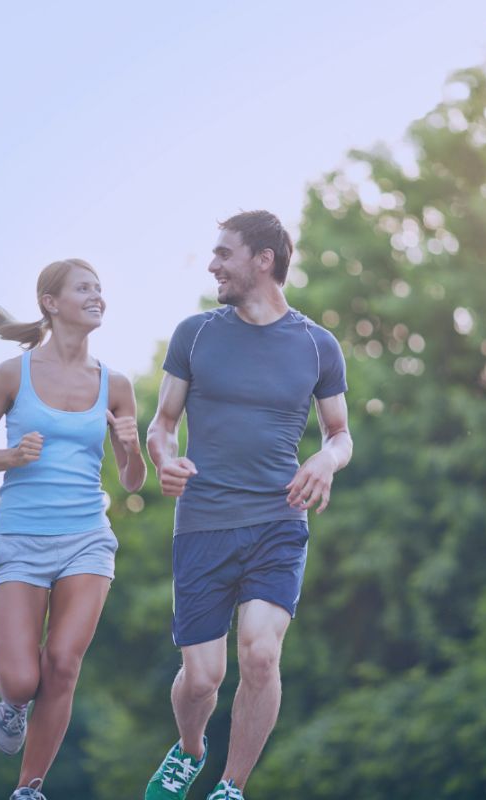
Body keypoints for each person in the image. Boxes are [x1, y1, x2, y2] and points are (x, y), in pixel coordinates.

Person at [144, 210, 352, 800]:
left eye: (223, 254)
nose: (213, 265)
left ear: (264, 259)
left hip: (278, 521)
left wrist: (324, 460)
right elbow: (161, 424)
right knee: (203, 680)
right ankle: (189, 750)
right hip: (204, 523)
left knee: (261, 653)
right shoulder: (197, 333)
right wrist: (165, 458)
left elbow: (340, 433)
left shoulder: (317, 344)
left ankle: (230, 787)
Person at [0, 258, 146, 800]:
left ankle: (29, 790)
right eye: (84, 288)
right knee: (22, 680)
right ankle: (12, 705)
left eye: (100, 288)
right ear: (51, 302)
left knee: (62, 665)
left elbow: (133, 483)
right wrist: (11, 457)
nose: (97, 296)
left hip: (87, 537)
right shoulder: (12, 374)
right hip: (20, 539)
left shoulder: (116, 384)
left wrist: (129, 447)